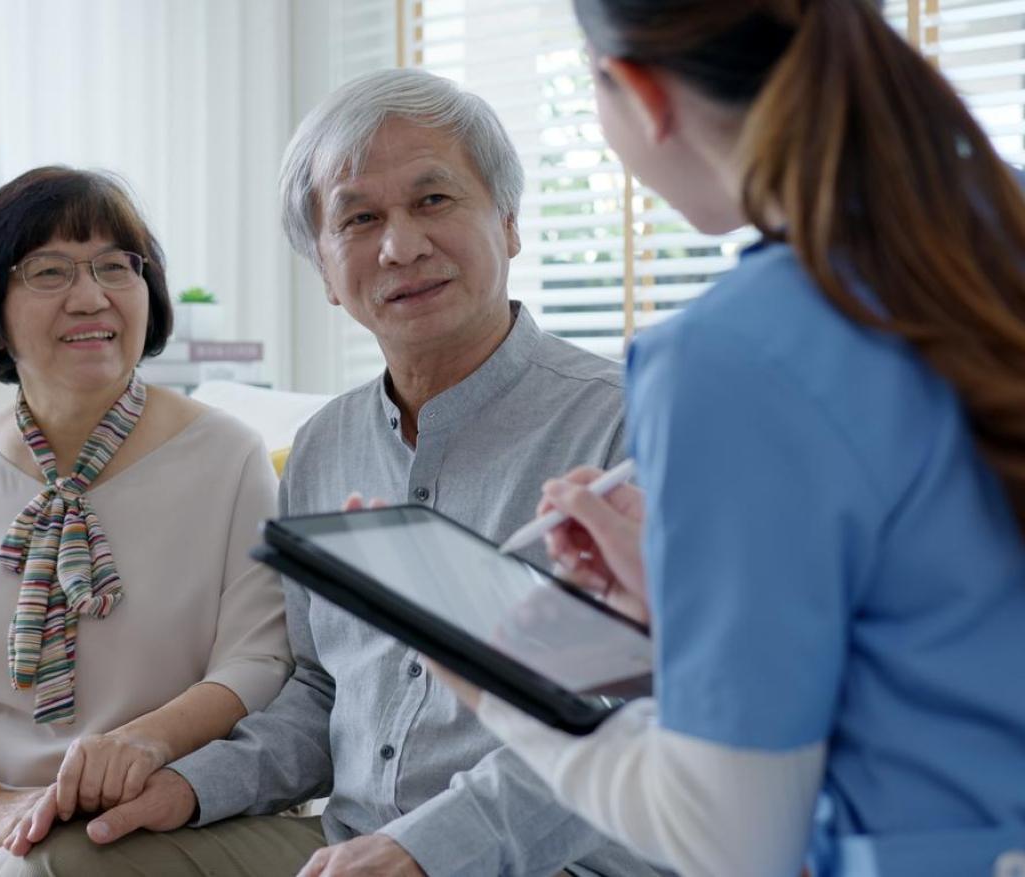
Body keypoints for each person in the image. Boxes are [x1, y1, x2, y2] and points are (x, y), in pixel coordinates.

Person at [2, 70, 660, 877]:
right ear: (322, 268)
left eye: (433, 201)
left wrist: (424, 849)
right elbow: (321, 690)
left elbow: (638, 719)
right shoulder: (324, 445)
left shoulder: (631, 424)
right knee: (68, 859)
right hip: (345, 841)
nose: (401, 245)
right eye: (359, 218)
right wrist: (191, 783)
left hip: (565, 857)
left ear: (511, 223)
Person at [428, 2, 1025, 876]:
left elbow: (731, 836)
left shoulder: (730, 354)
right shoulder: (981, 251)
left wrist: (495, 686)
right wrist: (697, 628)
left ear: (637, 89)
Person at [0, 167, 293, 876]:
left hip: (146, 794)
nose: (91, 296)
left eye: (115, 266)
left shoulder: (229, 457)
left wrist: (140, 744)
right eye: (49, 271)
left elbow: (260, 659)